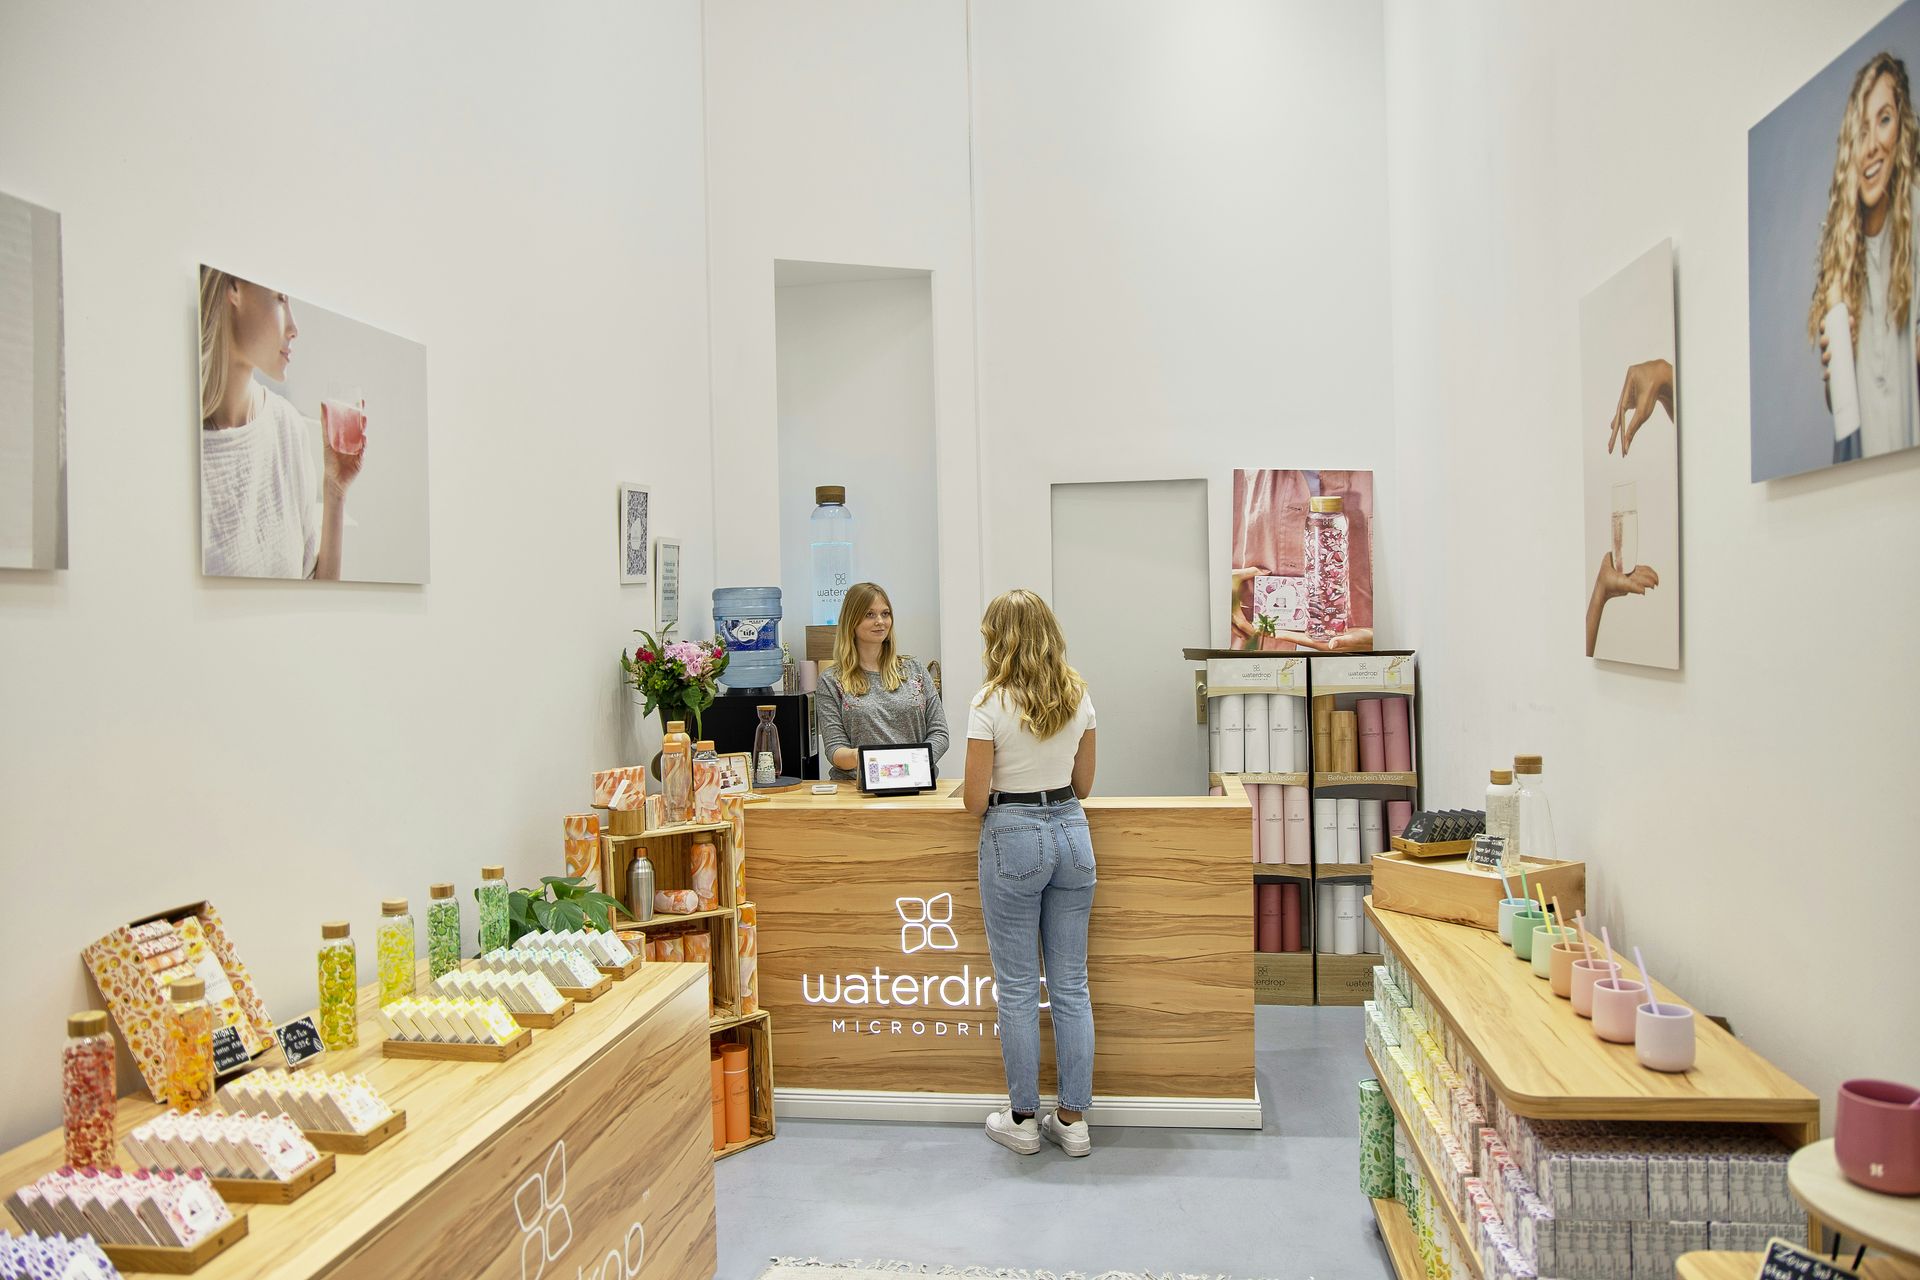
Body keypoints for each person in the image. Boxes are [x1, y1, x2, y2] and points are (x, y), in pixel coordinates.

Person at [962, 589, 1098, 1158]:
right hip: (1071, 831)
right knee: (1070, 986)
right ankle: (1072, 1121)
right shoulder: (1078, 696)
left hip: (1013, 835)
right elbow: (1084, 785)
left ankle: (1021, 1119)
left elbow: (973, 801)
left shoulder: (988, 703)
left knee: (1018, 988)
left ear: (999, 638)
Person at [199, 267, 363, 579]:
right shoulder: (183, 443)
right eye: (281, 299)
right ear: (234, 287)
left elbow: (314, 599)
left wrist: (335, 490)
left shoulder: (287, 427)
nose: (294, 327)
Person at [1810, 52, 1920, 465]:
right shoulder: (1840, 253)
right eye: (1862, 130)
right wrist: (1838, 362)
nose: (1873, 144)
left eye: (1885, 119)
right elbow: (1839, 403)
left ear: (1902, 129)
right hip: (1862, 478)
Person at [814, 583, 949, 780]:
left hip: (915, 783)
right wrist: (868, 759)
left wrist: (910, 767)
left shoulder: (915, 670)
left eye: (885, 614)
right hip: (856, 790)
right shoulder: (832, 680)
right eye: (870, 614)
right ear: (851, 620)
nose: (880, 621)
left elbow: (939, 733)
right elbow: (835, 749)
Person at [1229, 469, 1375, 651]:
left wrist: (1385, 636)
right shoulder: (1239, 468)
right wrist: (1217, 594)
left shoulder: (1391, 469)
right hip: (1259, 654)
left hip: (1362, 666)